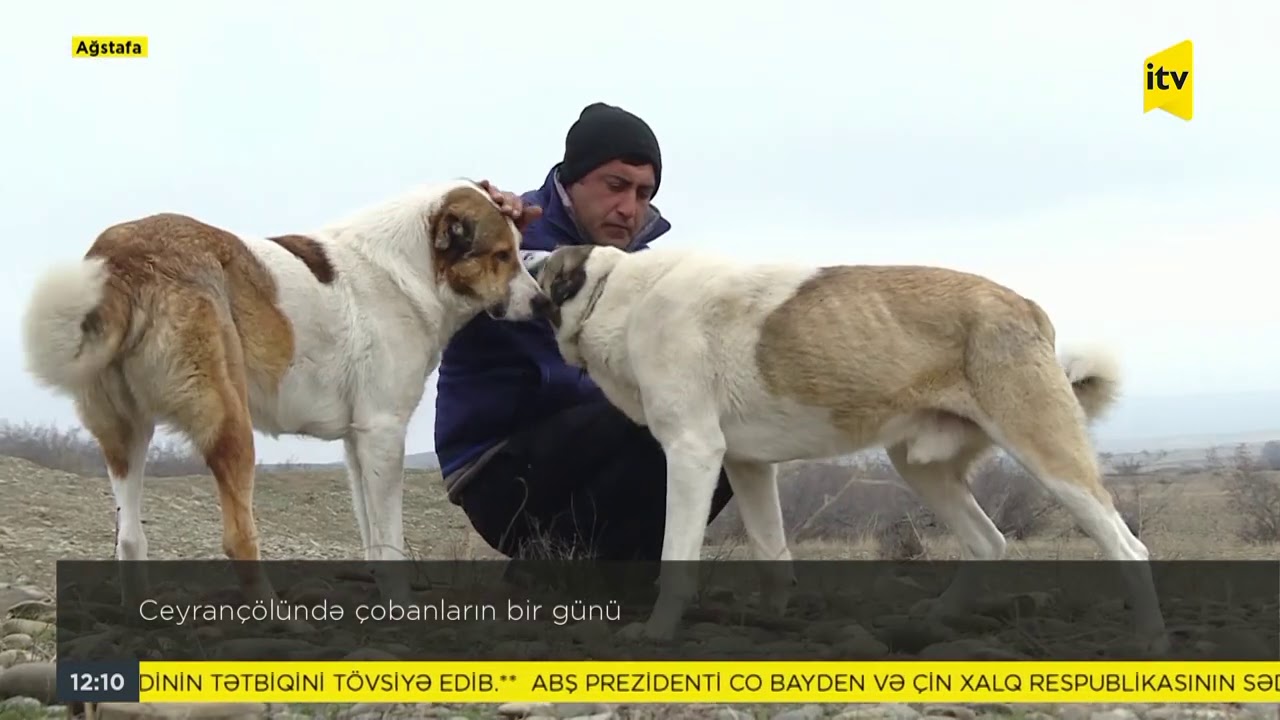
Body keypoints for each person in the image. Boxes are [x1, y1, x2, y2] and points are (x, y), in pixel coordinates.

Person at [433, 102, 734, 562]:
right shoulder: (510, 240)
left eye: (643, 192)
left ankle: (612, 574)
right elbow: (435, 238)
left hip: (587, 449)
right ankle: (552, 566)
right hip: (496, 469)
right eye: (616, 186)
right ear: (574, 179)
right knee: (665, 410)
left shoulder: (636, 267)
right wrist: (469, 202)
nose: (629, 208)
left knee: (733, 424)